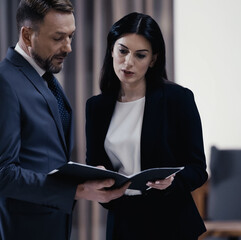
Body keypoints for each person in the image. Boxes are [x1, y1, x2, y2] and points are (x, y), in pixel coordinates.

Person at [0, 0, 129, 239]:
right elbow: (1, 176)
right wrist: (77, 189)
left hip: (49, 226)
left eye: (71, 36)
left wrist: (86, 177)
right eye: (58, 38)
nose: (68, 48)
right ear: (26, 35)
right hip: (14, 230)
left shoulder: (46, 79)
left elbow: (43, 158)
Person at [85, 12, 208, 240]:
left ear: (152, 60)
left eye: (140, 55)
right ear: (112, 49)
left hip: (170, 223)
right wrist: (97, 176)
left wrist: (173, 182)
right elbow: (94, 164)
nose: (128, 62)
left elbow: (198, 169)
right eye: (122, 51)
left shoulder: (177, 99)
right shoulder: (96, 107)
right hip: (122, 222)